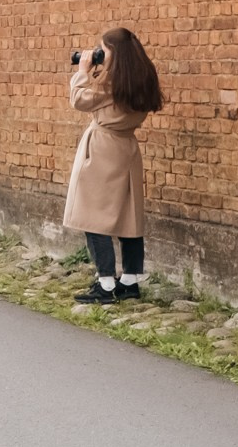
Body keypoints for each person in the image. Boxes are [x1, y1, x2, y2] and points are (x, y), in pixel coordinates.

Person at [65, 28, 164, 304]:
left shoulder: (109, 84)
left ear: (114, 53)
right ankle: (130, 280)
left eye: (102, 49)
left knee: (91, 214)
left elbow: (78, 99)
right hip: (127, 149)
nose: (98, 53)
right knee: (128, 214)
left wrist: (84, 69)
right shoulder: (141, 78)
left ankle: (106, 283)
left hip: (102, 149)